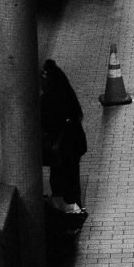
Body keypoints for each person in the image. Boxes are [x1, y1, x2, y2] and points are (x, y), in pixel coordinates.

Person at [40, 59, 88, 217]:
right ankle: (75, 211)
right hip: (73, 145)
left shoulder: (49, 100)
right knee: (72, 180)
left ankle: (66, 215)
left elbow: (45, 122)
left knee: (60, 182)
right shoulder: (66, 93)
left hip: (62, 149)